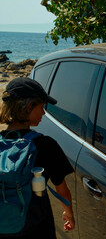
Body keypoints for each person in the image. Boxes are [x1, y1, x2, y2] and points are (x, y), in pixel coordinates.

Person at [0, 77, 75, 238]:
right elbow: (62, 189)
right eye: (41, 107)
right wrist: (68, 213)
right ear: (28, 107)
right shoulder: (45, 145)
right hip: (37, 229)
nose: (43, 112)